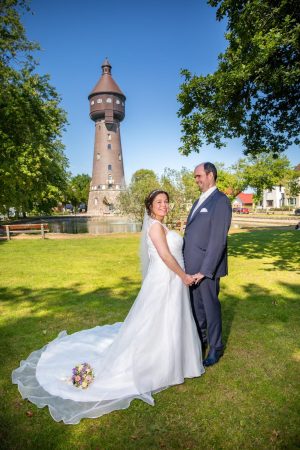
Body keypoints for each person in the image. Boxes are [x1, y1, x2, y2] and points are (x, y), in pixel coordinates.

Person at [12, 190, 204, 424]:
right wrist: (183, 276)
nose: (164, 205)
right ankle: (160, 364)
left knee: (171, 320)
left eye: (166, 202)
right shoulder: (154, 227)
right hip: (166, 279)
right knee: (159, 320)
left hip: (172, 279)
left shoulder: (161, 226)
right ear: (151, 207)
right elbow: (164, 255)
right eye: (159, 202)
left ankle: (178, 360)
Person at [183, 163, 232, 367]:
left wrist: (205, 270)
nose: (196, 180)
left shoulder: (220, 201)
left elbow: (217, 240)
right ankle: (200, 341)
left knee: (210, 309)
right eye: (195, 177)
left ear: (210, 175)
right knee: (196, 308)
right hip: (191, 268)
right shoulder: (198, 200)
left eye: (199, 176)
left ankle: (216, 347)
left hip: (207, 269)